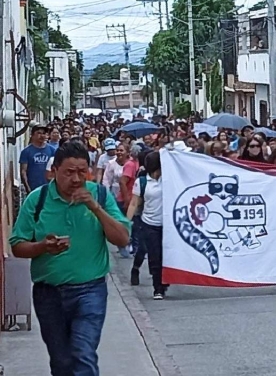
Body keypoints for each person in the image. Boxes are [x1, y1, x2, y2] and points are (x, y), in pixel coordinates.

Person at [10, 141, 130, 375]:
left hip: (89, 291)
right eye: (69, 172)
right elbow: (17, 246)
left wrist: (94, 207)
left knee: (82, 354)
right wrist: (43, 247)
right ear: (54, 171)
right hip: (49, 294)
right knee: (62, 361)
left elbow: (122, 238)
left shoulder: (100, 195)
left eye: (81, 172)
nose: (76, 179)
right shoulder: (37, 200)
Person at [127, 151, 167, 299]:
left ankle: (164, 282)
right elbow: (134, 203)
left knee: (166, 256)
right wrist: (126, 223)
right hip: (149, 224)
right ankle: (158, 288)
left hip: (167, 225)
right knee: (154, 256)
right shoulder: (142, 182)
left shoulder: (168, 179)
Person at [20, 125, 56, 194]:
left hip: (49, 188)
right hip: (33, 188)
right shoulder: (26, 152)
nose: (42, 136)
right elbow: (23, 171)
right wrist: (27, 188)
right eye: (39, 133)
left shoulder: (52, 150)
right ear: (32, 135)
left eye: (44, 133)